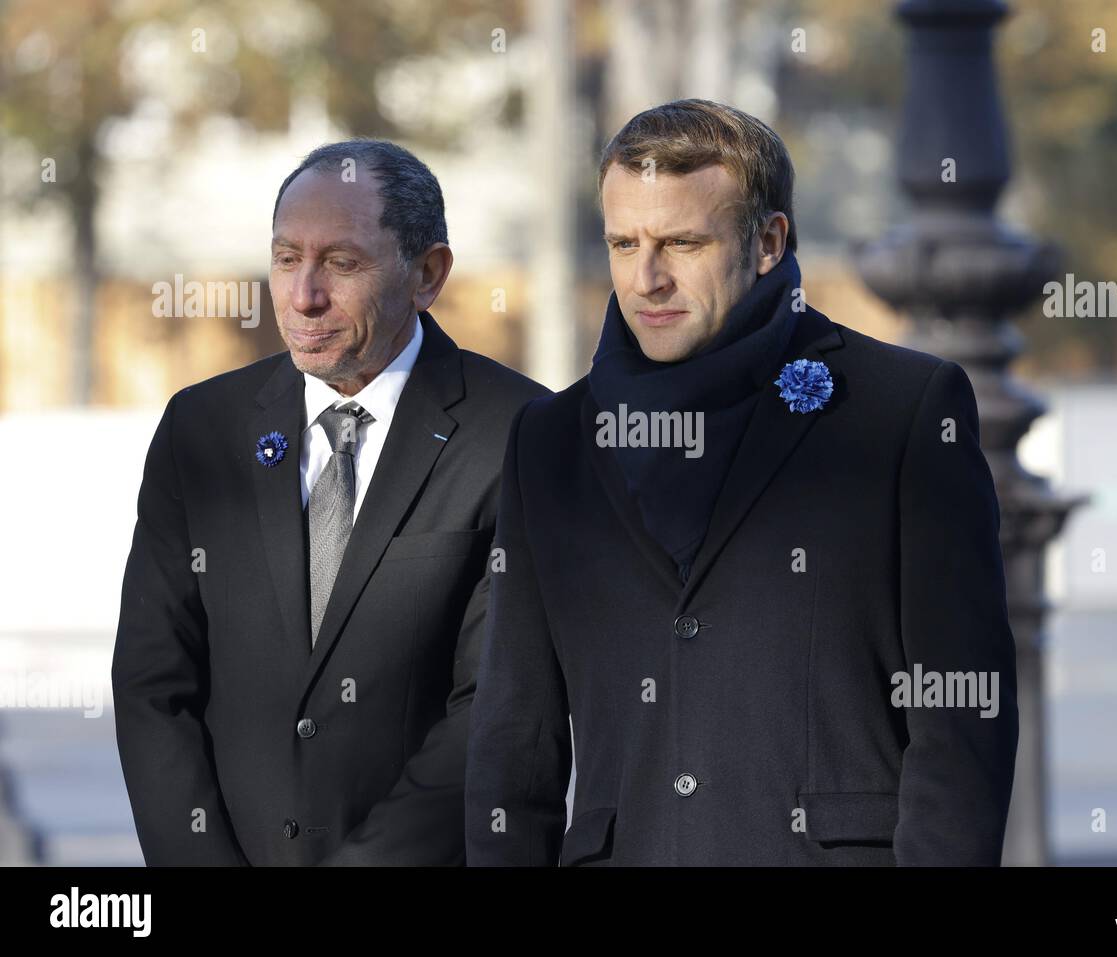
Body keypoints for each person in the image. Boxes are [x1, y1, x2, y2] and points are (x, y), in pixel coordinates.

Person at [465, 100, 1018, 866]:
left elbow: (960, 718)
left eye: (682, 242)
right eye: (624, 243)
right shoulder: (550, 440)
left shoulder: (902, 411)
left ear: (767, 241)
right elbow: (512, 735)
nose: (647, 277)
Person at [112, 139, 548, 865]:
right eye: (287, 259)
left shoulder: (519, 434)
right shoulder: (202, 429)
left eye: (342, 264)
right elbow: (153, 683)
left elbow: (498, 703)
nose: (304, 295)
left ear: (428, 274)